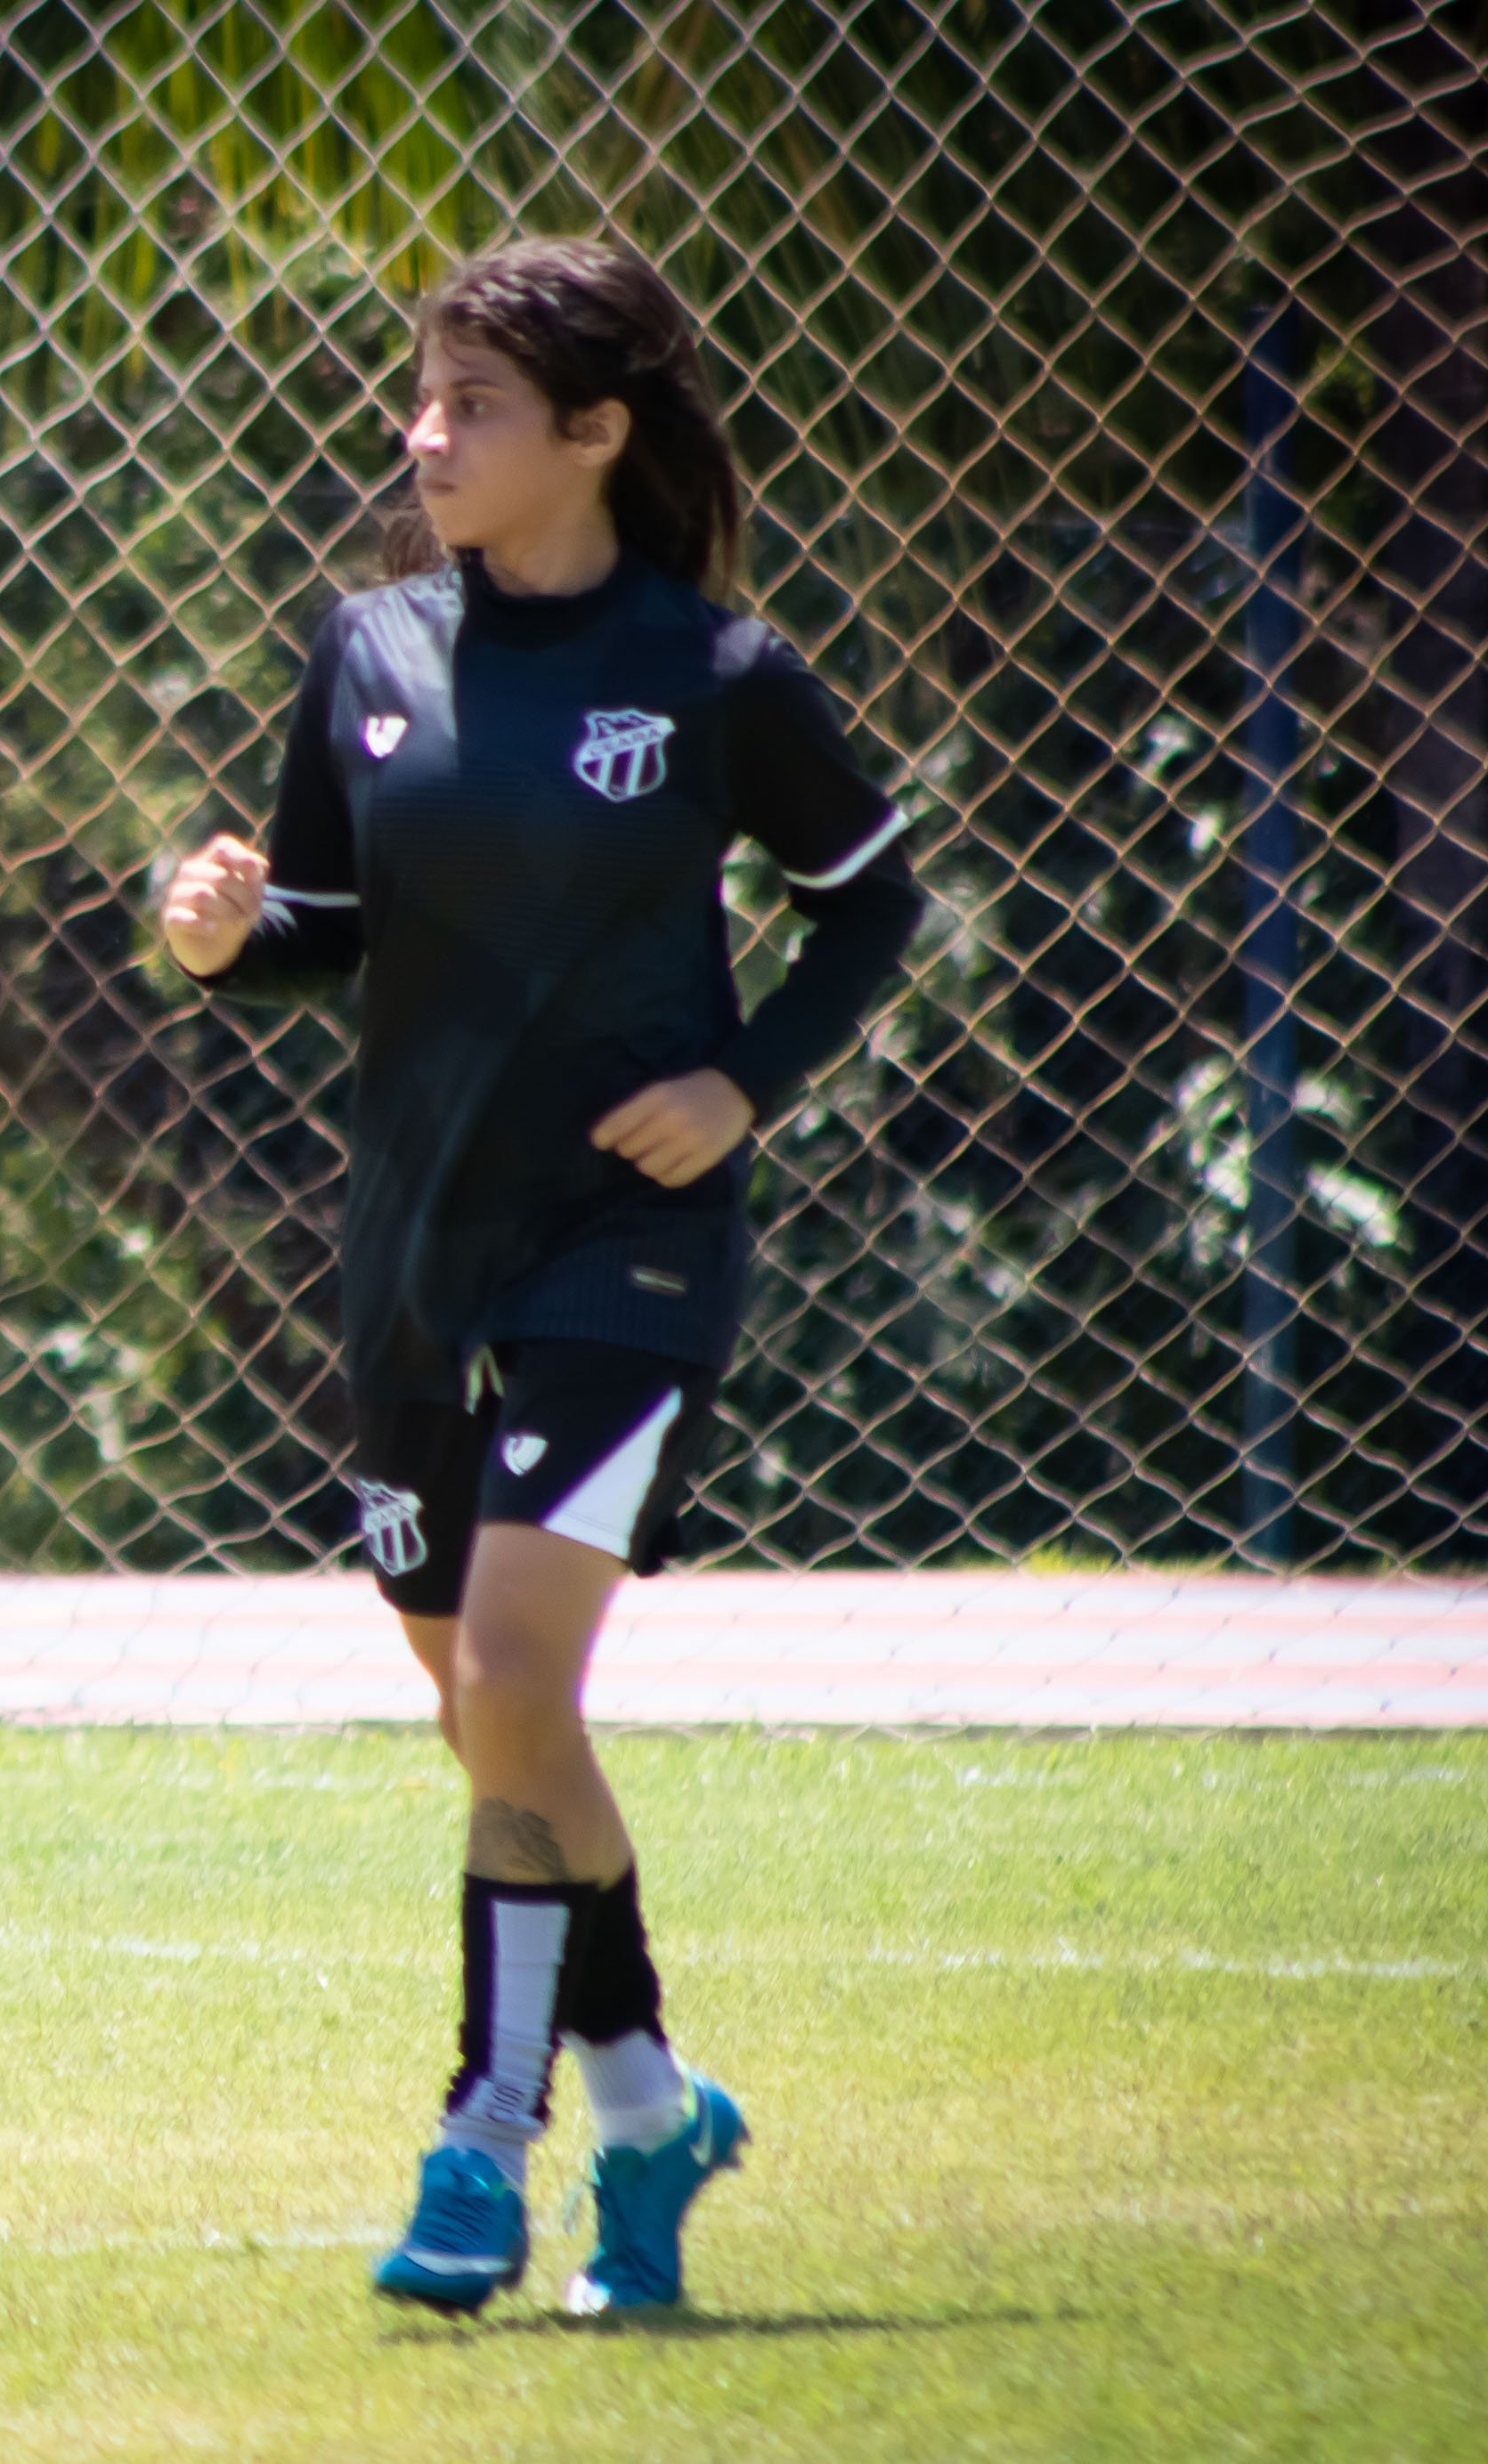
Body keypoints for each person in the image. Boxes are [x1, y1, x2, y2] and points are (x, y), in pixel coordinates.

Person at [159, 239, 923, 2316]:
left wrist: (738, 1081)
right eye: (422, 392)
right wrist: (226, 926)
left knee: (507, 1681)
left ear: (592, 435)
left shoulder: (716, 673)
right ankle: (652, 2108)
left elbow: (870, 906)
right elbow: (323, 921)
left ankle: (479, 2147)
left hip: (625, 1246)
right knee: (491, 1715)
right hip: (413, 1250)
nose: (425, 435)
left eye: (473, 403)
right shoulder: (367, 648)